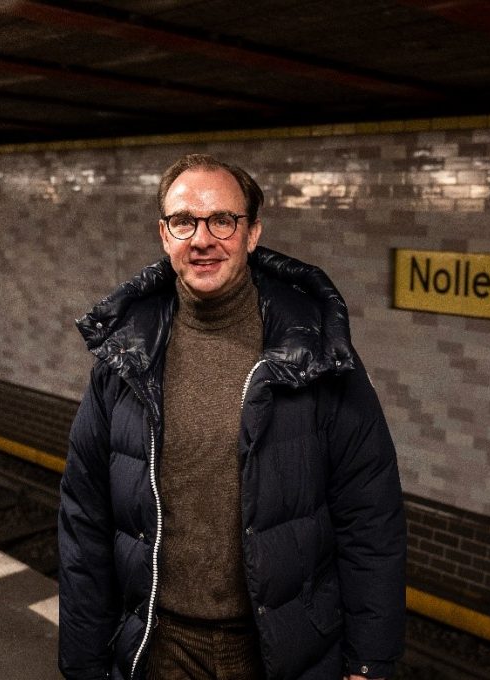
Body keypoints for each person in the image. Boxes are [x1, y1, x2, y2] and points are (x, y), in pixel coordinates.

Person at [58, 153, 406, 680]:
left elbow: (370, 516)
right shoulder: (125, 357)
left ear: (251, 233)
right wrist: (83, 663)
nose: (202, 239)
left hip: (282, 651)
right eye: (183, 221)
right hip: (160, 645)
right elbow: (85, 520)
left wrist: (367, 661)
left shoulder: (315, 352)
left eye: (222, 220)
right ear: (164, 234)